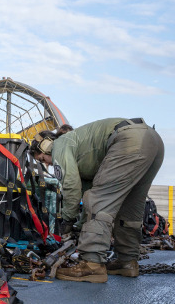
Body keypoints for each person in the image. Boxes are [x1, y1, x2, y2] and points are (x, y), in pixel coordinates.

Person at [30, 118, 164, 283]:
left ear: (46, 146)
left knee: (99, 201)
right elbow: (87, 192)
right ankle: (127, 262)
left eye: (43, 159)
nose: (48, 165)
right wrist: (79, 226)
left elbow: (71, 188)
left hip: (128, 141)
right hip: (153, 141)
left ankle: (91, 265)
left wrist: (66, 220)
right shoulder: (83, 155)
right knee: (130, 207)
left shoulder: (60, 145)